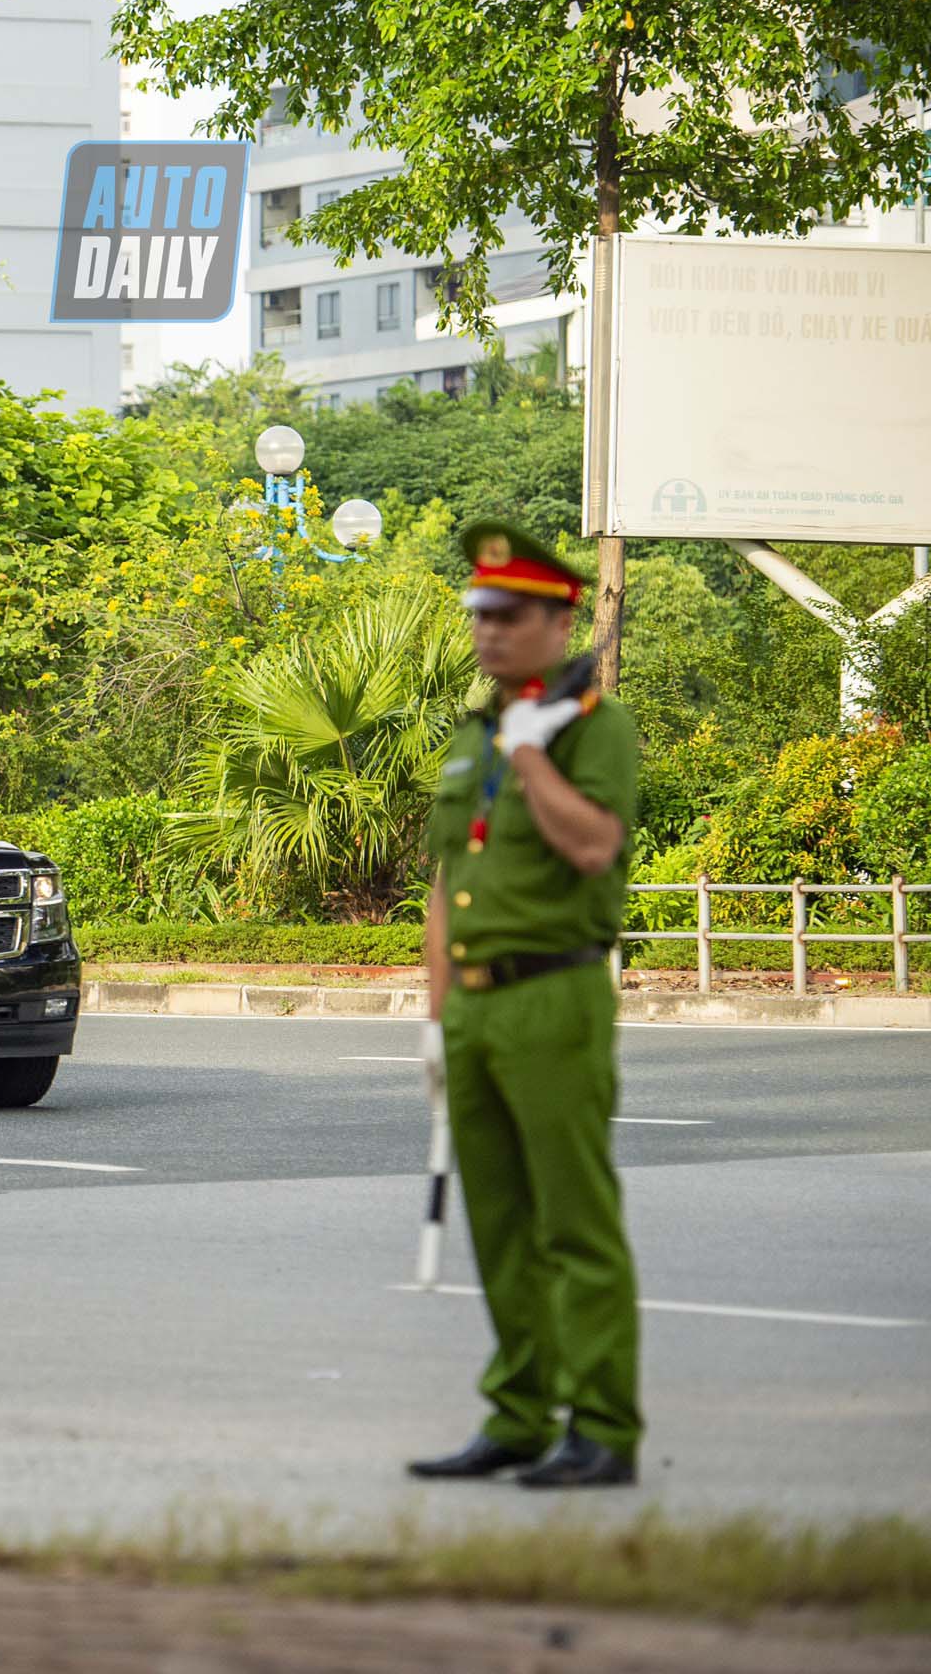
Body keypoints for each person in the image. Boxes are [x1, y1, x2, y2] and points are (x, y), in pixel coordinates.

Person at [410, 518, 644, 1491]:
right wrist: (430, 1018)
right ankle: (516, 1415)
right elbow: (441, 883)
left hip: (554, 996)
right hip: (471, 1010)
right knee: (500, 1225)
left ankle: (600, 1429)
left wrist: (536, 754)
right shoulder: (472, 737)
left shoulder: (594, 727)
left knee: (571, 1225)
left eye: (510, 615)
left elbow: (592, 846)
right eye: (480, 614)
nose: (489, 632)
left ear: (559, 622)